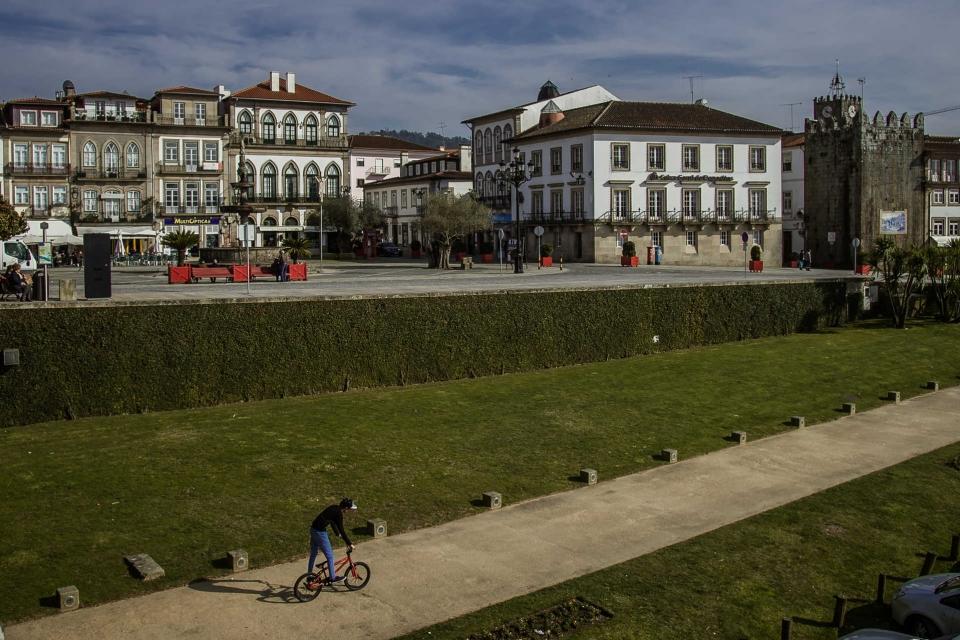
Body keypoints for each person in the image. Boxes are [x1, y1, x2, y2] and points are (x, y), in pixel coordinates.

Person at [306, 498, 357, 588]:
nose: (349, 511)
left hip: (313, 529)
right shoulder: (339, 514)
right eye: (349, 509)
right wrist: (349, 543)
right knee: (330, 556)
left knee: (313, 554)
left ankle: (309, 576)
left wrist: (337, 533)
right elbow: (342, 529)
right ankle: (333, 578)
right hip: (320, 533)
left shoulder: (334, 507)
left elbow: (332, 521)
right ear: (345, 508)